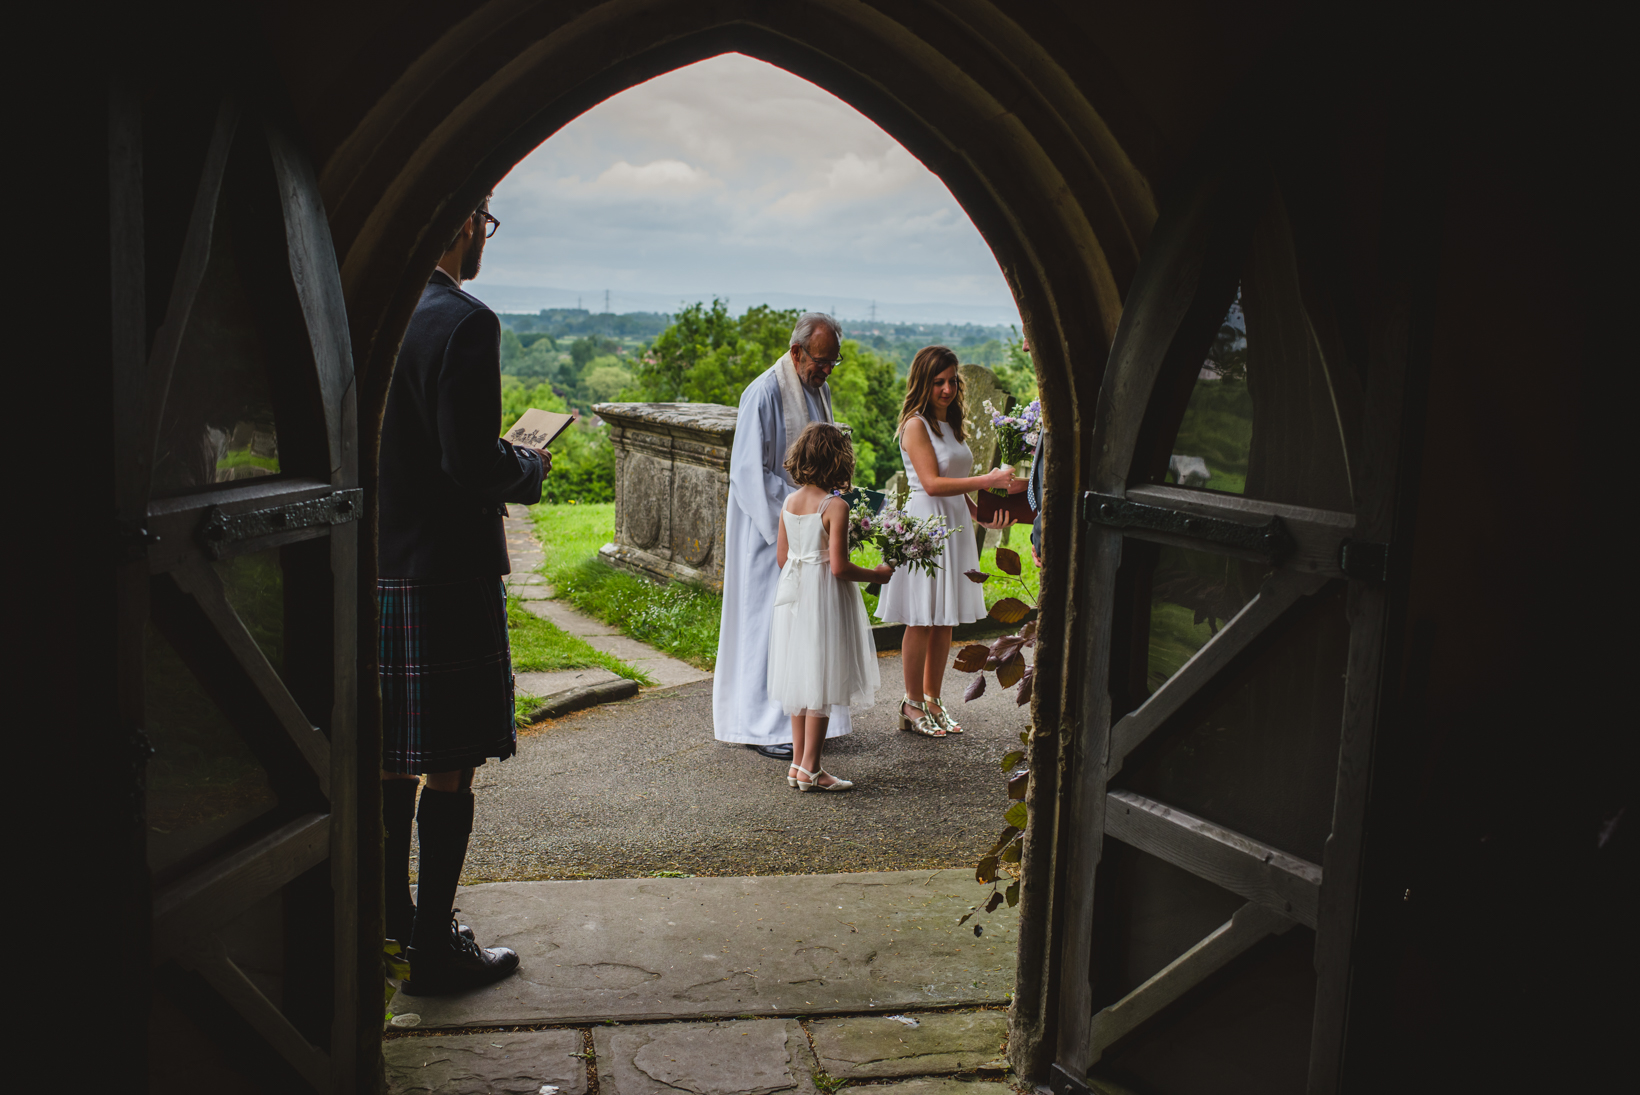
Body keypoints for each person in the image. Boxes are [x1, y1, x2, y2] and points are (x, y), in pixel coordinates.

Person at [377, 195, 551, 995]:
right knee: (451, 763)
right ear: (461, 221)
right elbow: (468, 464)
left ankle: (392, 916)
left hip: (377, 562)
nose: (483, 235)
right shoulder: (464, 320)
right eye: (484, 219)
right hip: (445, 574)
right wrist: (530, 466)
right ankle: (434, 954)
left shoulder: (373, 305)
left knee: (386, 758)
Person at [714, 313, 851, 760]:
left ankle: (805, 726)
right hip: (769, 532)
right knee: (769, 626)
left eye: (833, 361)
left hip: (805, 527)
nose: (827, 370)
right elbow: (750, 474)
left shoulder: (818, 388)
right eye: (820, 360)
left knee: (802, 630)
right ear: (796, 352)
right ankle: (763, 724)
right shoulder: (764, 393)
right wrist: (803, 517)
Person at [876, 346, 1026, 736]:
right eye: (938, 382)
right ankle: (910, 703)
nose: (946, 389)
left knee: (944, 622)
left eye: (951, 381)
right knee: (921, 618)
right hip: (927, 528)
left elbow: (957, 487)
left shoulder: (951, 423)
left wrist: (981, 513)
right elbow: (931, 483)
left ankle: (932, 698)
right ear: (923, 384)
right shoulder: (915, 425)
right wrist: (989, 480)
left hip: (954, 526)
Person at [767, 424, 894, 791]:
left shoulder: (790, 503)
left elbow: (781, 558)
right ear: (839, 460)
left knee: (800, 676)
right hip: (824, 596)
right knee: (821, 678)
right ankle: (812, 768)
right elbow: (839, 567)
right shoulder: (834, 506)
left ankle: (796, 764)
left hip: (793, 595)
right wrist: (877, 575)